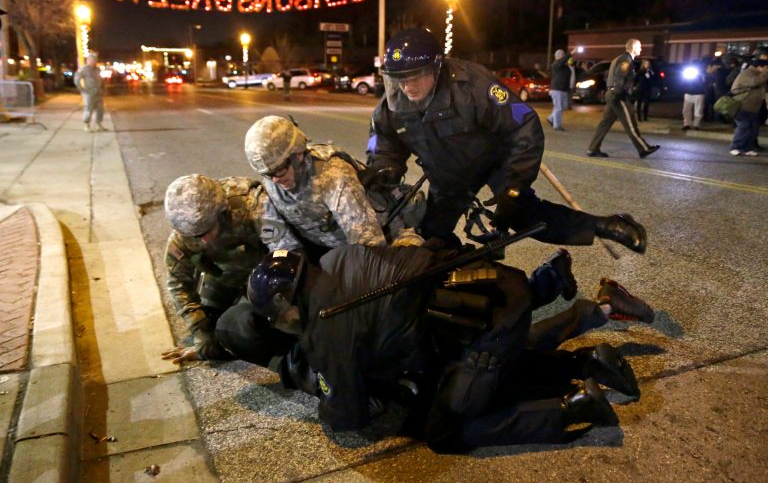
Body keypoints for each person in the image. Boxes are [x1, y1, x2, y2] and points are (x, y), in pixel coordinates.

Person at [234, 245, 654, 450]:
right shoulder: (338, 259)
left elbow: (347, 415)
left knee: (444, 429)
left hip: (484, 329)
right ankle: (589, 362)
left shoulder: (327, 331)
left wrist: (316, 388)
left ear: (286, 308)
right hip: (491, 286)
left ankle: (573, 408)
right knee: (477, 371)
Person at [367, 28, 648, 254]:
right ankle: (462, 264)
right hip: (448, 172)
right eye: (399, 79)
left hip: (493, 159)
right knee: (429, 237)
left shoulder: (473, 84)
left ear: (435, 68)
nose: (406, 87)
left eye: (414, 77)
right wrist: (383, 165)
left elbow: (524, 122)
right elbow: (384, 139)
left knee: (524, 216)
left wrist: (514, 187)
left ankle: (606, 224)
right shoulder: (393, 104)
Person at [160, 174, 297, 364]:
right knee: (215, 335)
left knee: (270, 325)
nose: (203, 240)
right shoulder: (185, 233)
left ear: (221, 213)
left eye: (207, 231)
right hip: (230, 272)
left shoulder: (252, 206)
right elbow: (177, 282)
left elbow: (289, 256)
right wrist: (201, 331)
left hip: (267, 270)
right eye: (195, 236)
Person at [244, 116, 422, 260]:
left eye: (279, 170)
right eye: (268, 173)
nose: (275, 180)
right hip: (329, 251)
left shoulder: (333, 176)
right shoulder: (271, 184)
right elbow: (282, 248)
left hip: (385, 242)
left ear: (297, 155)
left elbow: (368, 246)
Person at [587, 39, 659, 158]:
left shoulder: (619, 58)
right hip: (617, 95)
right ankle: (643, 148)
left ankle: (592, 149)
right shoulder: (626, 59)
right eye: (639, 46)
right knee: (630, 123)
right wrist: (621, 93)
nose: (641, 49)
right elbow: (620, 78)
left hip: (611, 94)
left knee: (604, 124)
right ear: (633, 47)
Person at [728, 54, 768, 156]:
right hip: (741, 105)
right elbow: (755, 82)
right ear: (760, 67)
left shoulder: (760, 76)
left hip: (754, 108)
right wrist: (766, 73)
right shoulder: (747, 74)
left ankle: (747, 148)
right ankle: (735, 147)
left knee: (753, 129)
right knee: (744, 126)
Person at [74, 52, 106, 132]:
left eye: (95, 60)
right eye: (92, 60)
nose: (94, 61)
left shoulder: (97, 69)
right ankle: (87, 125)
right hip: (88, 92)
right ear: (88, 60)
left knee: (100, 109)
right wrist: (82, 89)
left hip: (98, 92)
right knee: (88, 109)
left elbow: (101, 79)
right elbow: (77, 79)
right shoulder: (83, 69)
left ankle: (99, 124)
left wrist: (103, 88)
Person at [546, 49, 575, 131]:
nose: (563, 55)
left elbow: (571, 68)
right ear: (558, 56)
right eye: (562, 54)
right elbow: (562, 61)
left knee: (563, 106)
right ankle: (557, 125)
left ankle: (551, 118)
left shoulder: (564, 66)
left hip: (564, 89)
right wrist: (570, 54)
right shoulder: (556, 64)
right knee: (558, 107)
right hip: (557, 89)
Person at [681, 60, 709, 131]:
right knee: (686, 110)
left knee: (698, 110)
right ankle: (687, 124)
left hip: (699, 94)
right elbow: (683, 81)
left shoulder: (703, 73)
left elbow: (705, 82)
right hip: (688, 93)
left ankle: (696, 125)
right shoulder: (688, 71)